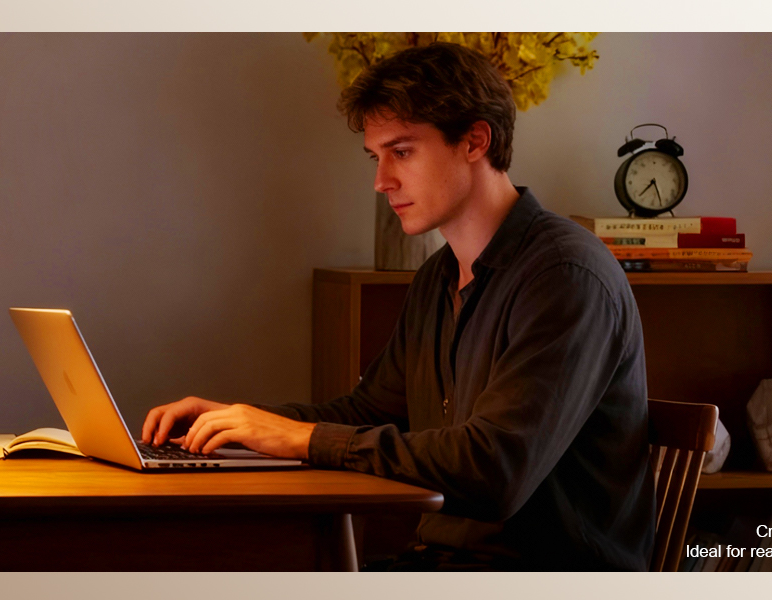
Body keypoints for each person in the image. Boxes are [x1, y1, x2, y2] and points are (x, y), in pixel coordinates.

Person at [139, 42, 654, 571]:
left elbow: (493, 473)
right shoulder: (439, 277)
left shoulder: (565, 276)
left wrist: (304, 438)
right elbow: (367, 415)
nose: (381, 181)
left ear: (476, 140)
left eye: (402, 152)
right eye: (376, 156)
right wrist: (239, 424)